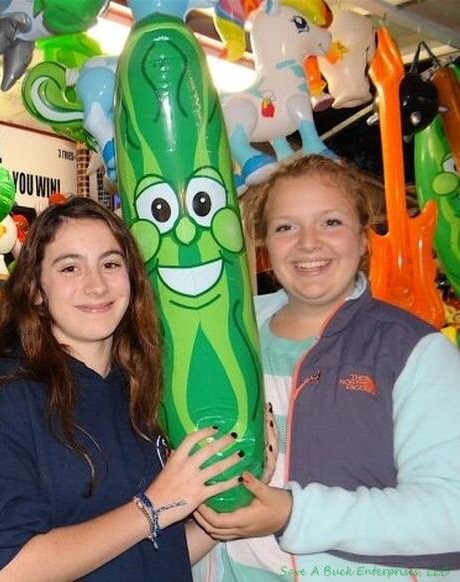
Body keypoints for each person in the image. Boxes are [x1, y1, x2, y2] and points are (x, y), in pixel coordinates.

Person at [0, 197, 241, 581]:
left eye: (110, 264)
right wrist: (154, 506)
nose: (96, 285)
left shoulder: (140, 390)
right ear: (35, 291)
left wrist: (219, 500)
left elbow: (146, 555)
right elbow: (5, 571)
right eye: (70, 267)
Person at [193, 154, 460, 581]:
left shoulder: (414, 352)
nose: (308, 243)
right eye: (286, 227)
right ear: (264, 245)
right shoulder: (226, 336)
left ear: (363, 238)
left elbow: (451, 512)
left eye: (330, 222)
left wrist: (293, 514)